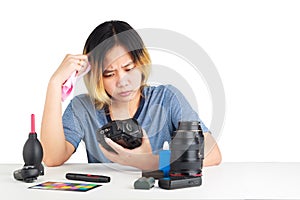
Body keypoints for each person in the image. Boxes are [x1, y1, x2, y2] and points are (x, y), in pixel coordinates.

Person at [41, 20, 221, 171]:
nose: (122, 81)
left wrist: (151, 162)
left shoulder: (167, 98)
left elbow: (212, 154)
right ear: (96, 76)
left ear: (141, 63)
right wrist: (55, 84)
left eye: (129, 69)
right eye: (109, 74)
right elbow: (51, 158)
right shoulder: (83, 107)